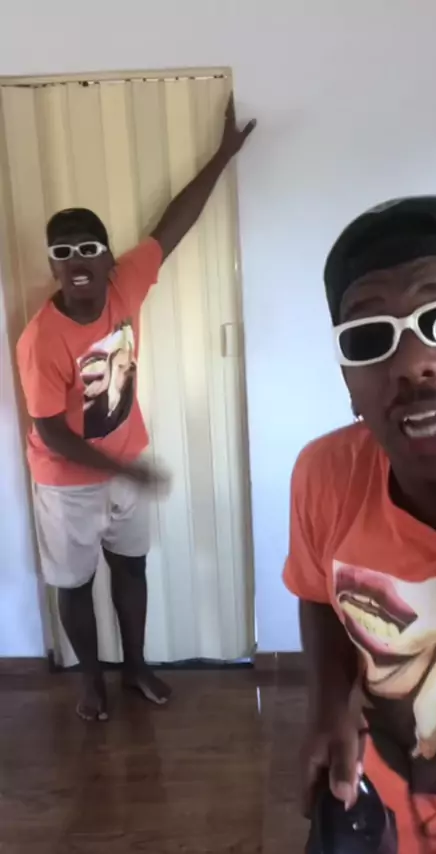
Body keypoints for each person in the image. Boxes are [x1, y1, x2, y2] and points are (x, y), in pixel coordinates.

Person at [17, 96, 256, 722]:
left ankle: (136, 667)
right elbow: (51, 432)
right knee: (73, 584)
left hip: (125, 466)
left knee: (131, 568)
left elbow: (175, 222)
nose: (77, 262)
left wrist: (223, 155)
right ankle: (90, 682)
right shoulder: (40, 340)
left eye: (87, 248)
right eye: (63, 253)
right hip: (67, 482)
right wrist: (124, 469)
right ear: (52, 266)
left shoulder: (127, 281)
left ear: (106, 257)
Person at [284, 196, 436, 854]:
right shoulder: (325, 475)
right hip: (381, 819)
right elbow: (320, 592)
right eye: (371, 339)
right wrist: (327, 707)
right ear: (347, 379)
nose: (412, 362)